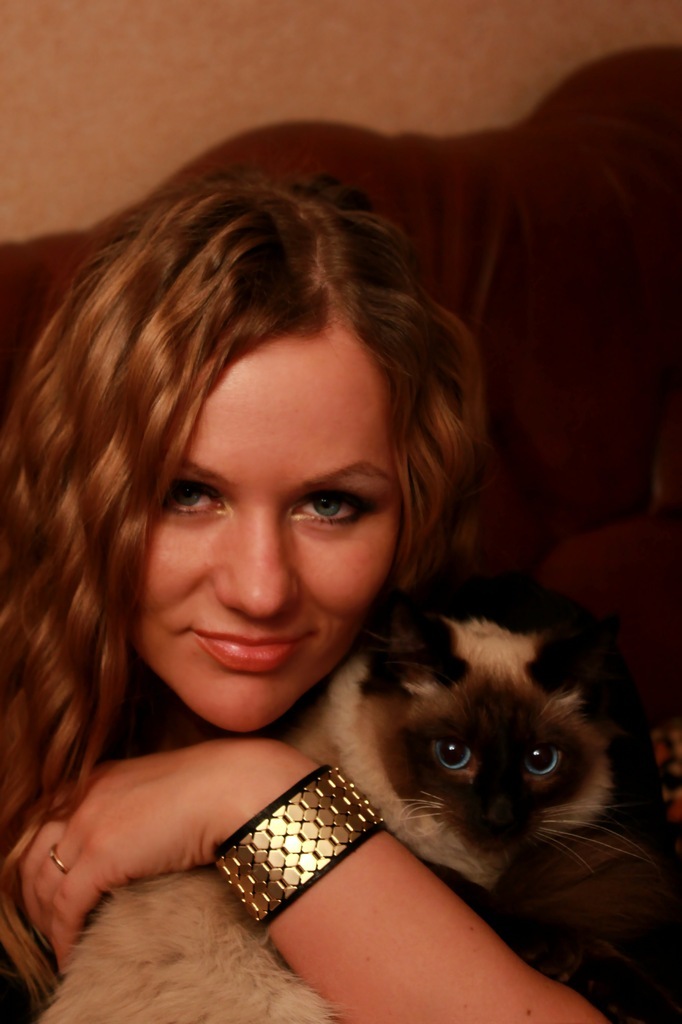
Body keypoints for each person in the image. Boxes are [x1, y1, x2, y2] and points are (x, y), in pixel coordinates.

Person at [0, 168, 610, 1022]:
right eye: (187, 493)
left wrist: (255, 797)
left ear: (413, 500)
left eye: (330, 505)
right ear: (83, 492)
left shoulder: (519, 667)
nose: (261, 589)